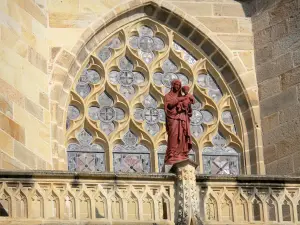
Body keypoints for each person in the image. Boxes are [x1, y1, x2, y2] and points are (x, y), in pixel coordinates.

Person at [164, 80, 193, 165]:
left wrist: (188, 104)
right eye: (176, 85)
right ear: (172, 85)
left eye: (179, 85)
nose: (177, 86)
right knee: (174, 135)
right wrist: (182, 99)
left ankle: (182, 153)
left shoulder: (184, 96)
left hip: (183, 118)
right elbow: (169, 105)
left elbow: (189, 111)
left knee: (183, 136)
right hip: (173, 119)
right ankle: (172, 154)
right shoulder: (168, 96)